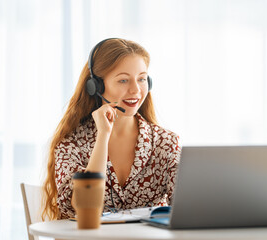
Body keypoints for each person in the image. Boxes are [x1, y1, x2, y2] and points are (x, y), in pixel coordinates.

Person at [42, 38, 181, 220]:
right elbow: (86, 207)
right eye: (123, 80)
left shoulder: (166, 143)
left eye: (141, 79)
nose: (136, 90)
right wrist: (103, 136)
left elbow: (188, 209)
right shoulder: (72, 142)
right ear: (96, 86)